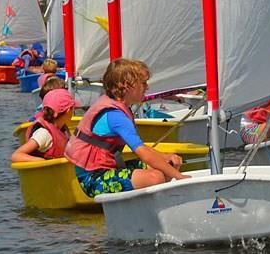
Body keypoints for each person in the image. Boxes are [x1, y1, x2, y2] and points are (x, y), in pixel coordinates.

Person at [64, 58, 187, 198]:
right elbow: (143, 153)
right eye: (143, 83)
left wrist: (166, 157)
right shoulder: (115, 116)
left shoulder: (118, 107)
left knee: (165, 166)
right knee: (155, 177)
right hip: (93, 177)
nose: (147, 87)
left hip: (107, 169)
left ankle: (151, 206)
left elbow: (144, 150)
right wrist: (180, 177)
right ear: (126, 86)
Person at [12, 88, 77, 162]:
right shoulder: (44, 134)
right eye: (73, 109)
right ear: (68, 110)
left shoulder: (62, 129)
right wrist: (42, 161)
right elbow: (16, 155)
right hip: (48, 172)